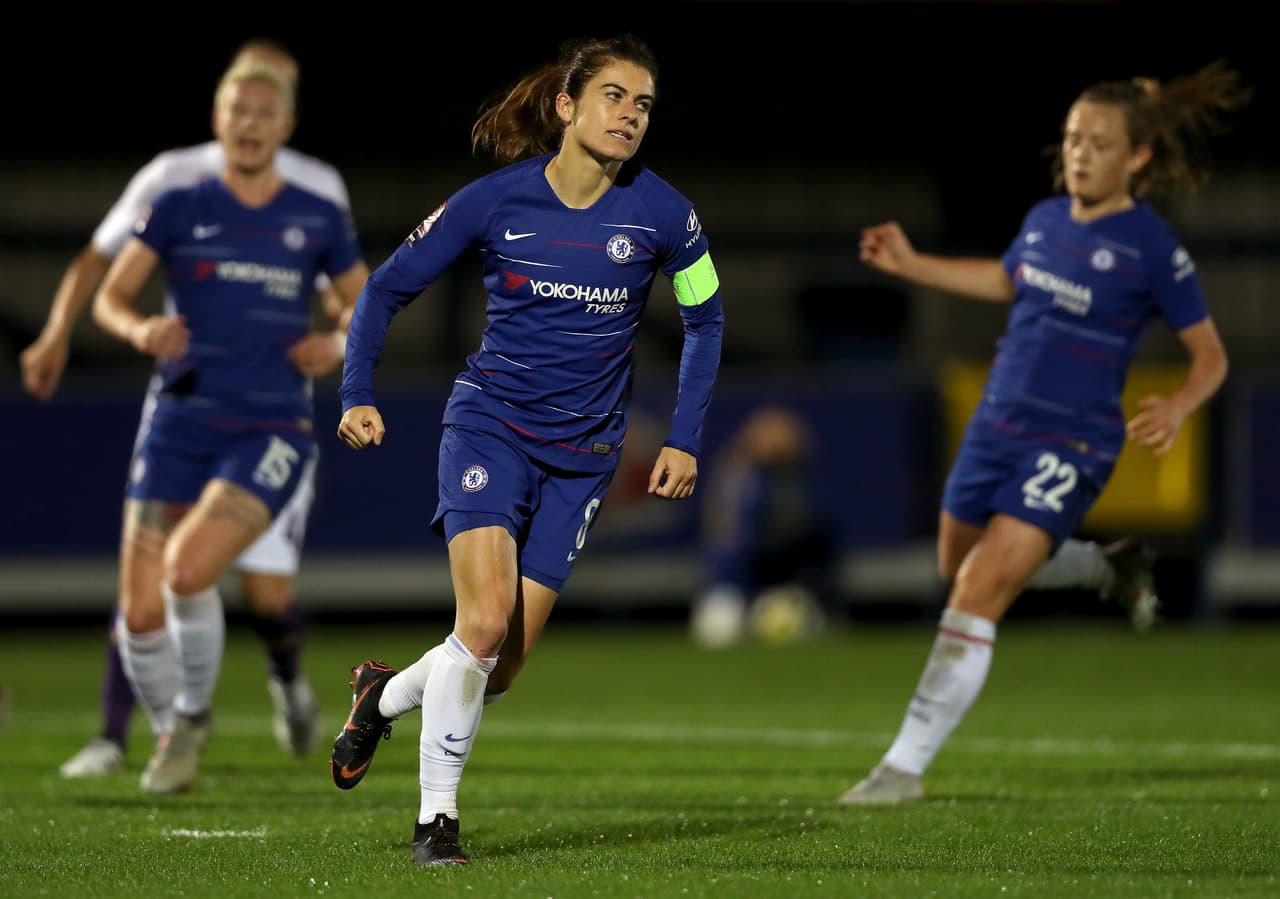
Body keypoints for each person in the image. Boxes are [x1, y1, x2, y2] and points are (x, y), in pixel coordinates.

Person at [328, 34, 724, 866]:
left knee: (497, 669)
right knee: (480, 622)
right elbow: (386, 287)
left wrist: (685, 437)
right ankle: (438, 823)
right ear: (567, 106)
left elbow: (706, 317)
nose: (630, 116)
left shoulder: (666, 214)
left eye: (644, 105)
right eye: (614, 96)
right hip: (490, 429)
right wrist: (356, 390)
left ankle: (380, 696)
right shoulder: (493, 202)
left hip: (582, 460)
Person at [839, 61, 1245, 804]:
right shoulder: (1045, 220)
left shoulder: (1152, 247)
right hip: (996, 422)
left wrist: (1182, 404)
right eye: (1071, 140)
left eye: (1097, 143)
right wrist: (911, 263)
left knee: (978, 589)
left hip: (1072, 441)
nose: (1080, 155)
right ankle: (1101, 566)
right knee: (955, 563)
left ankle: (902, 766)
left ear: (1138, 157)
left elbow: (1211, 355)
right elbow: (1005, 281)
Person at [32, 39, 352, 779]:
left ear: (289, 119)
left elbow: (359, 303)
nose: (252, 120)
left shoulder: (316, 199)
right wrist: (131, 327)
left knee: (240, 584)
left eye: (268, 108)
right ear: (218, 113)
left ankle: (239, 702)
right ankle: (139, 730)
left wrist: (337, 343)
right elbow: (107, 279)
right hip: (179, 417)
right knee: (140, 612)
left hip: (271, 423)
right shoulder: (176, 192)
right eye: (240, 107)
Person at [689, 404, 837, 648]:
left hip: (784, 582)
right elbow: (726, 538)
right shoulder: (739, 477)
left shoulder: (796, 480)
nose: (776, 442)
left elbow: (809, 542)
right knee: (718, 630)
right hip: (734, 581)